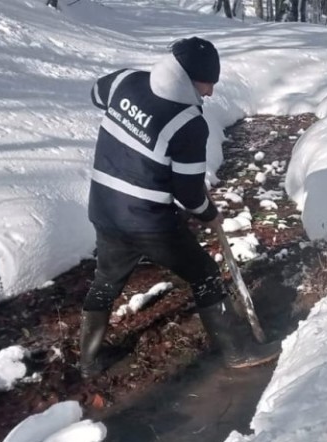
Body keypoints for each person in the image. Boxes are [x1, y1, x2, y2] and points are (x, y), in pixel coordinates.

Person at [80, 37, 278, 376]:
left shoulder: (126, 81)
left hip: (105, 207)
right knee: (204, 274)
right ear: (187, 77)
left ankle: (89, 361)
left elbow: (97, 93)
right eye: (206, 83)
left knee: (106, 281)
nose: (210, 93)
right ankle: (235, 352)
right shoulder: (188, 123)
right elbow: (188, 193)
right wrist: (208, 213)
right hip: (149, 222)